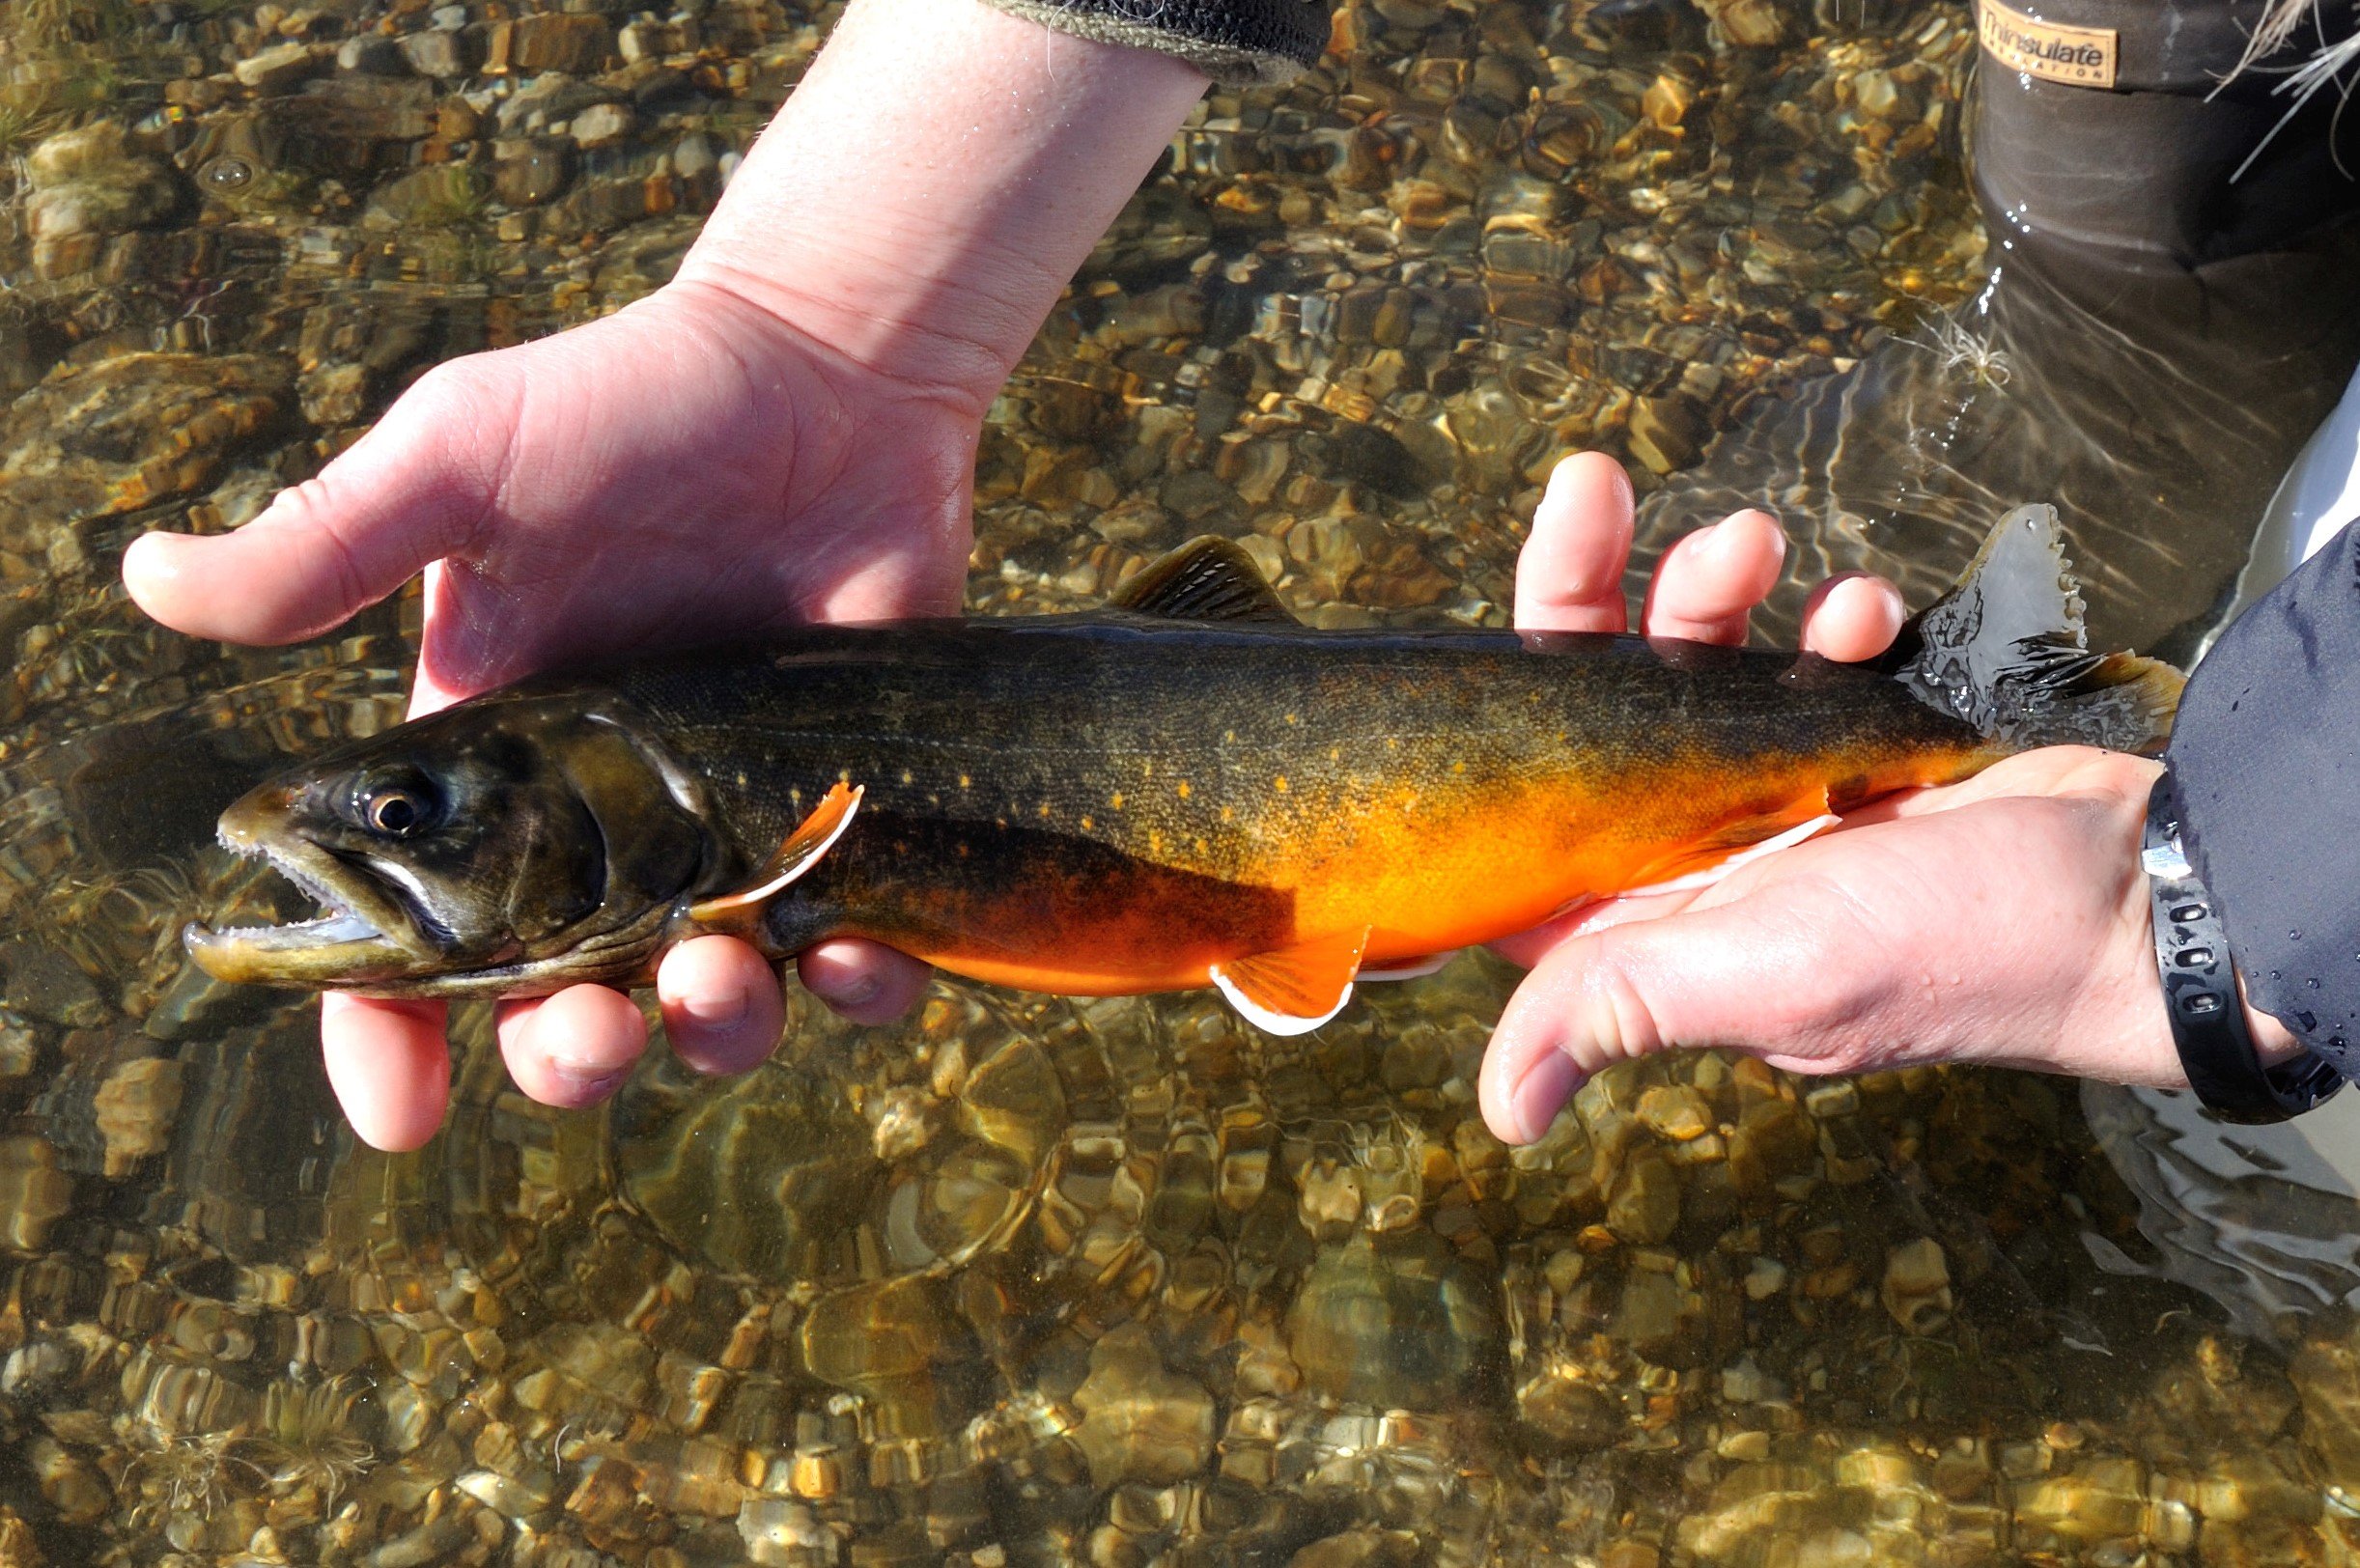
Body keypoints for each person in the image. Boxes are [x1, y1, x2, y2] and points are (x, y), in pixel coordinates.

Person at [120, 0, 2349, 1154]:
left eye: (408, 808)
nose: (368, 829)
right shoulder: (726, 809)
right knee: (2138, 285)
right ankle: (2103, 606)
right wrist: (831, 305)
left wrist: (2197, 939)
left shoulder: (741, 814)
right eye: (398, 823)